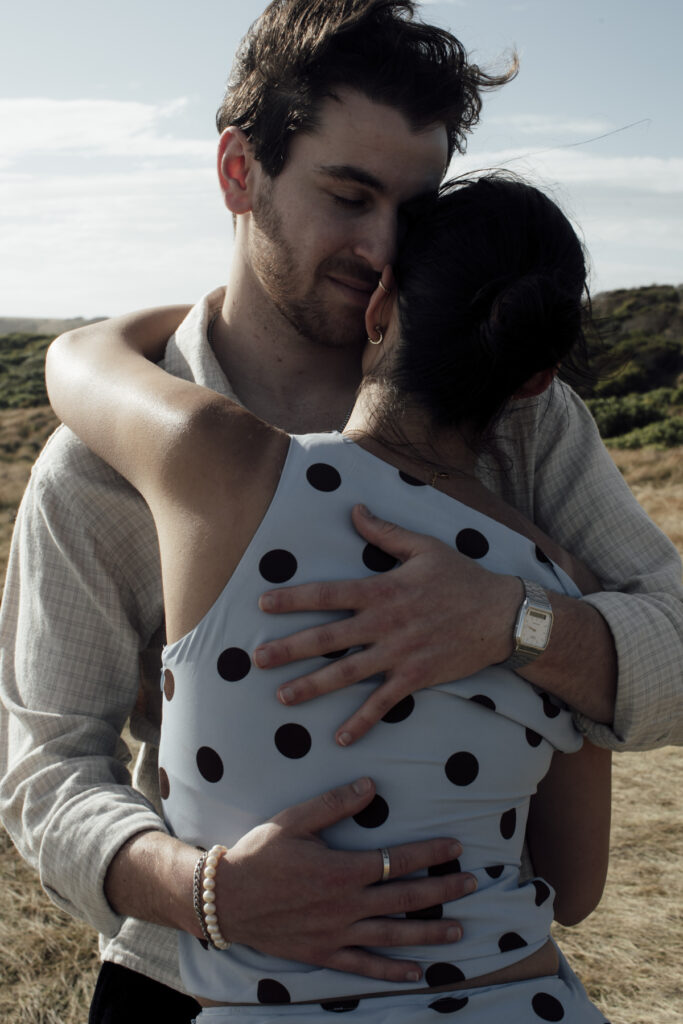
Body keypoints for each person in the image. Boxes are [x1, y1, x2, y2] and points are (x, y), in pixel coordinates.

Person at [0, 0, 681, 1019]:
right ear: (239, 172)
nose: (381, 246)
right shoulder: (99, 464)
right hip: (185, 974)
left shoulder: (523, 420)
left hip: (476, 969)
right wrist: (205, 892)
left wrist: (512, 622)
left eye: (413, 208)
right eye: (348, 194)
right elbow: (45, 770)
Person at [46, 174, 613, 1023]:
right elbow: (572, 888)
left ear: (378, 309)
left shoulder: (225, 470)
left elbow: (76, 360)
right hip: (519, 999)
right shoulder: (559, 588)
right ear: (536, 381)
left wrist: (192, 311)